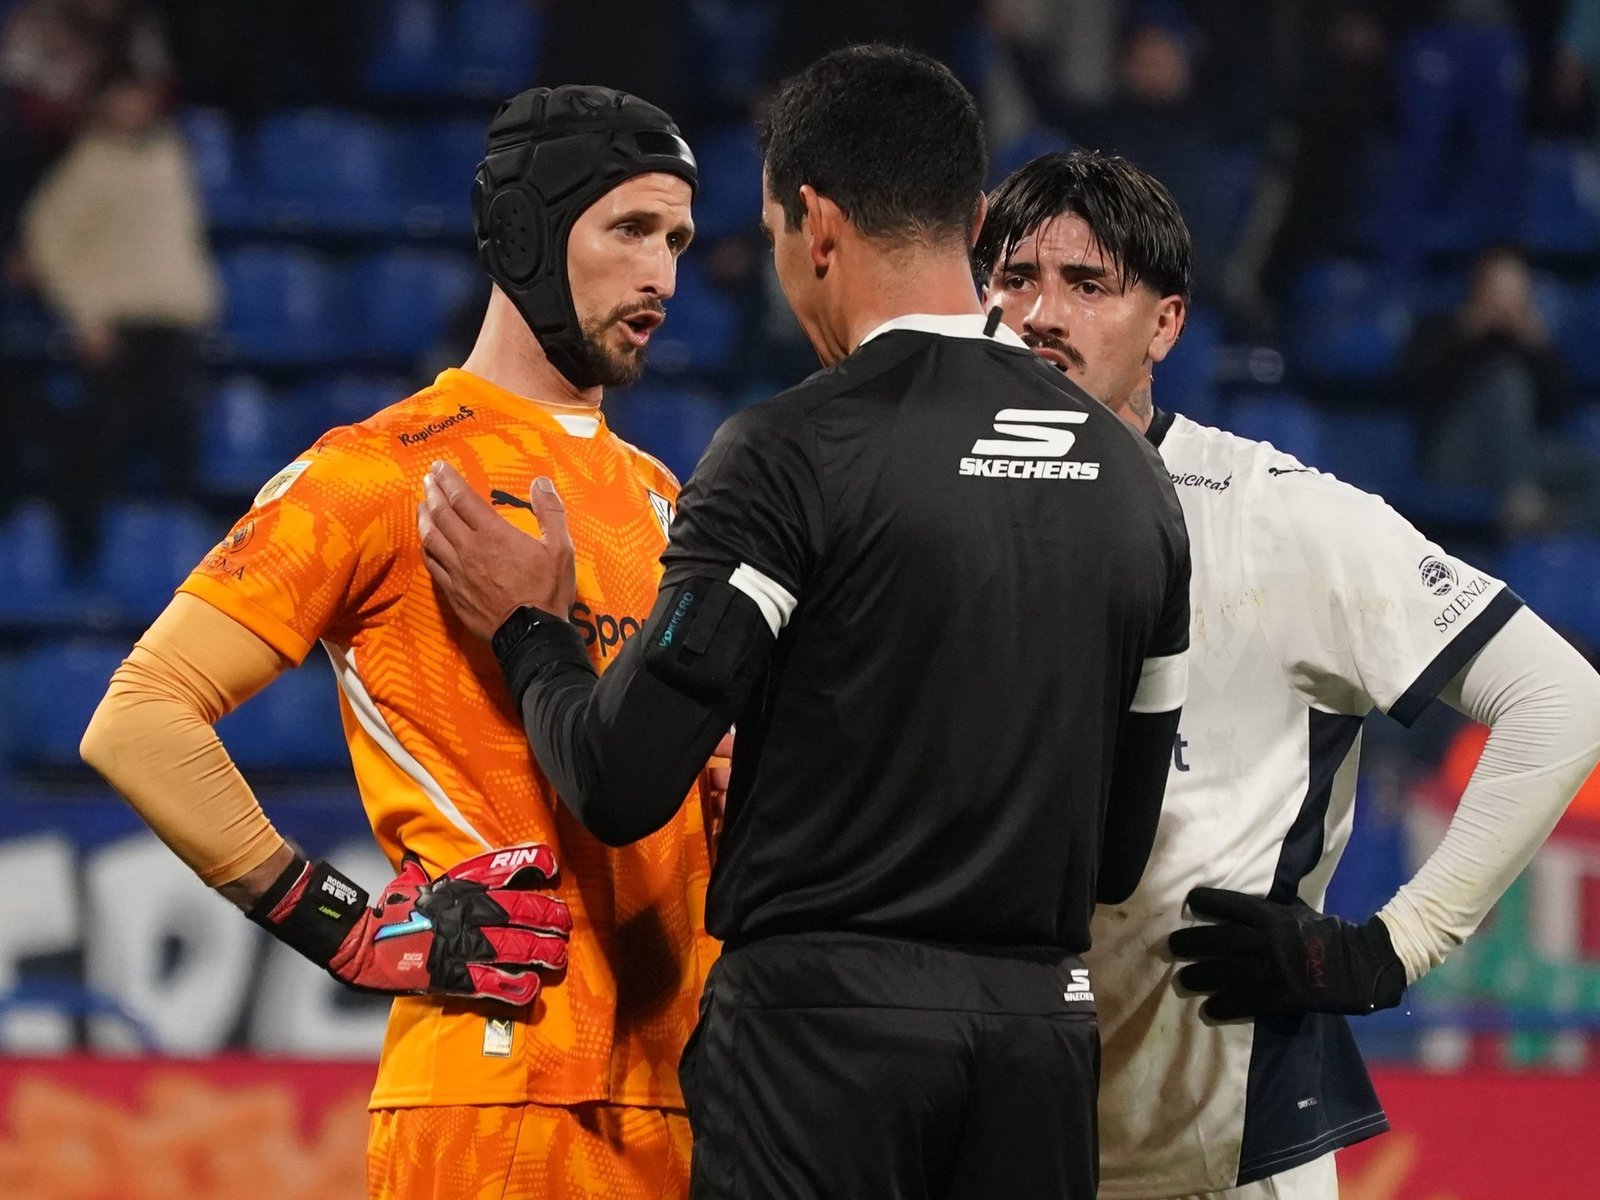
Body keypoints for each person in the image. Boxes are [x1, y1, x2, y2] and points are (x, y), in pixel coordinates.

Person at [418, 45, 1191, 1200]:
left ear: (812, 224)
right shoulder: (1137, 481)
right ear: (976, 223)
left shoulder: (790, 451)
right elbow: (1119, 852)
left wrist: (533, 631)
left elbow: (622, 779)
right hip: (1041, 1035)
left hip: (821, 1042)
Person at [81, 84, 723, 1200]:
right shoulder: (382, 473)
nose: (662, 275)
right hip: (490, 1102)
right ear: (524, 232)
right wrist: (347, 929)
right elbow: (139, 718)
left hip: (684, 1105)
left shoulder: (666, 499)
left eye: (675, 240)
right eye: (628, 229)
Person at [972, 148, 1600, 1200]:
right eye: (1015, 280)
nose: (1042, 315)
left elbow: (1561, 701)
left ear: (1165, 324)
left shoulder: (1278, 518)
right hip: (993, 1135)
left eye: (1088, 285)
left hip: (1227, 1155)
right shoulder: (924, 508)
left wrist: (1385, 951)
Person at [19, 66, 215, 566]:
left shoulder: (170, 156)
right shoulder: (89, 164)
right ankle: (80, 562)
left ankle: (195, 575)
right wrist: (85, 318)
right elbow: (45, 244)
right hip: (121, 332)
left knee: (186, 466)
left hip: (177, 331)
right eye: (123, 95)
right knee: (96, 449)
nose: (134, 105)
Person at [1396, 243, 1600, 536]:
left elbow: (1560, 407)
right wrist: (1467, 330)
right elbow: (1414, 387)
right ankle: (1520, 497)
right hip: (1454, 457)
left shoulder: (1529, 343)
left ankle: (1558, 530)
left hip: (1518, 455)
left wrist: (1537, 347)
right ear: (1478, 287)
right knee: (1506, 381)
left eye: (1514, 289)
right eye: (1497, 287)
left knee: (1593, 469)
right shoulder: (1444, 328)